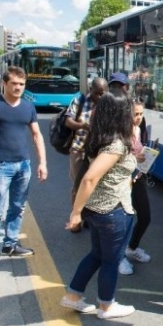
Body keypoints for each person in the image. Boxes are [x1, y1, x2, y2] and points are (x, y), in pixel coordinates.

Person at [61, 91, 137, 320]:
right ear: (121, 114)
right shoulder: (115, 145)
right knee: (111, 260)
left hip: (98, 209)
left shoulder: (101, 138)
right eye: (130, 109)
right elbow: (90, 178)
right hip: (113, 211)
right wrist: (75, 213)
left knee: (97, 254)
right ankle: (106, 306)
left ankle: (73, 296)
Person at [0, 66, 48, 271]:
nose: (18, 87)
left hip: (23, 165)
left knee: (17, 208)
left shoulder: (28, 107)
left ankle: (10, 244)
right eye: (14, 83)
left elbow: (36, 135)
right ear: (4, 83)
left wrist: (42, 162)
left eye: (22, 84)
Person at [64, 78, 108, 232]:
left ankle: (89, 216)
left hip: (98, 152)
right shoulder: (79, 101)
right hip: (80, 149)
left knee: (94, 185)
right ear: (91, 90)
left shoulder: (107, 103)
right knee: (78, 185)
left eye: (104, 94)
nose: (100, 97)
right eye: (98, 94)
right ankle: (75, 220)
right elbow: (68, 122)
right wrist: (83, 125)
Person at [119, 97, 153, 275]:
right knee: (125, 219)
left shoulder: (139, 129)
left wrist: (147, 156)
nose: (139, 117)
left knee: (145, 216)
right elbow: (112, 158)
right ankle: (119, 257)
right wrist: (134, 158)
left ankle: (131, 247)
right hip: (122, 180)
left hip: (137, 177)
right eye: (135, 114)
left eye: (141, 113)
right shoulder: (119, 131)